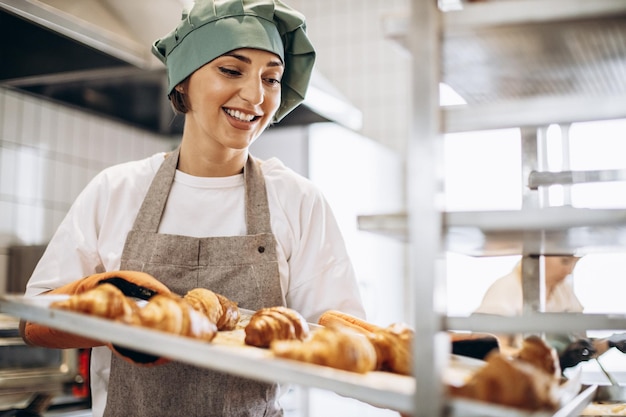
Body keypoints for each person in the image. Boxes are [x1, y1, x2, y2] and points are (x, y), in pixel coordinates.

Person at [19, 1, 365, 416]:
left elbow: (345, 346)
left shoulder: (298, 200)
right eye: (231, 70)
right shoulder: (117, 189)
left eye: (271, 78)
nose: (256, 96)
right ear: (183, 81)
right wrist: (115, 319)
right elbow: (34, 323)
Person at [474, 256, 626, 371]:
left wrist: (608, 343)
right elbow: (493, 354)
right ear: (541, 256)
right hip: (519, 385)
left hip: (553, 381)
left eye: (575, 262)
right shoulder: (505, 290)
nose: (569, 271)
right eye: (565, 261)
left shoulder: (563, 290)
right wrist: (551, 358)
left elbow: (581, 345)